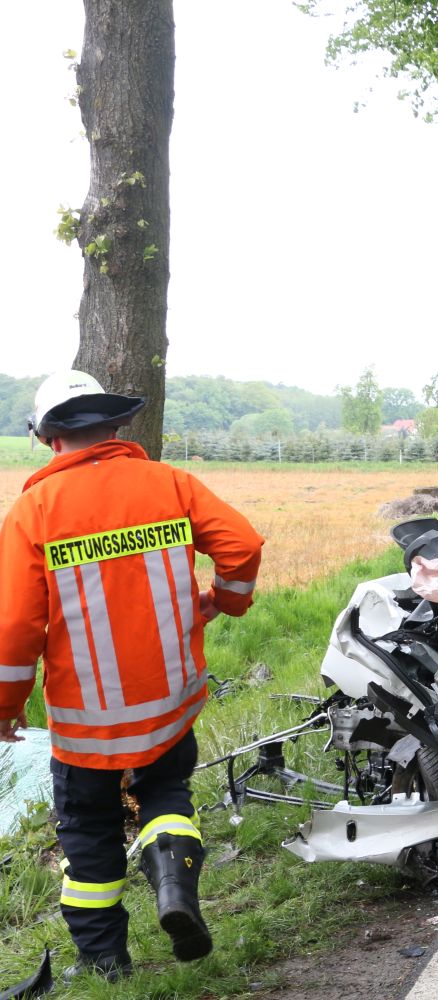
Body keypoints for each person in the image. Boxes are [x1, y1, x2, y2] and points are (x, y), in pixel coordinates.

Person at [0, 371, 264, 981]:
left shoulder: (33, 511)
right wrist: (226, 600)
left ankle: (105, 964)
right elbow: (242, 546)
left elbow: (14, 625)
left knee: (89, 828)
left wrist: (7, 704)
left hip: (85, 719)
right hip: (170, 700)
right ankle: (174, 887)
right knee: (166, 796)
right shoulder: (169, 483)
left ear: (47, 438)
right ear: (116, 427)